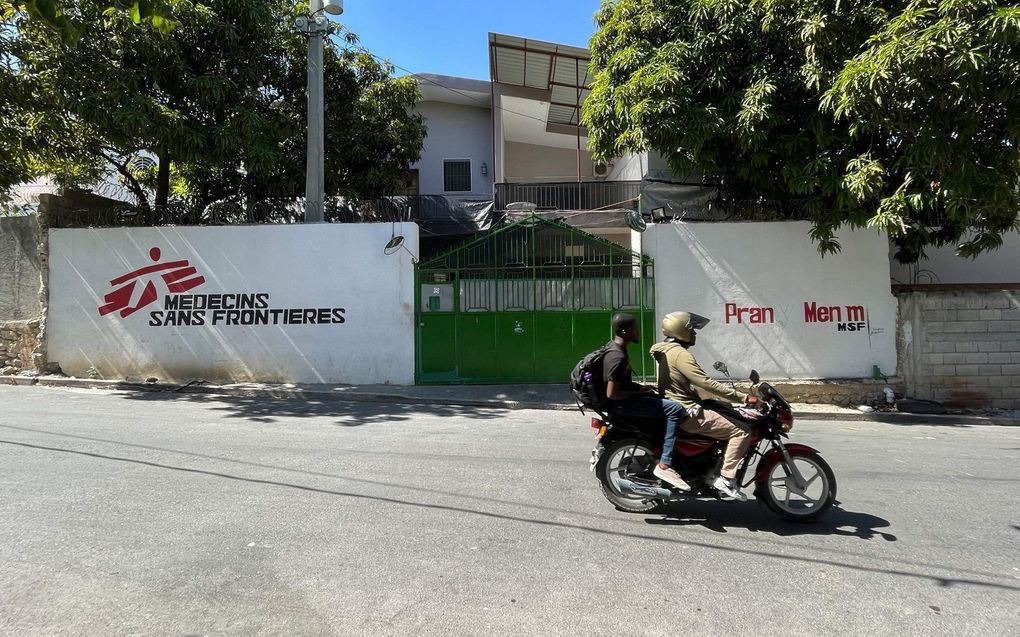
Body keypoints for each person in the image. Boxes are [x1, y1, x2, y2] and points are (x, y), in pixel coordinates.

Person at [650, 311, 759, 501]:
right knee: (742, 431)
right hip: (688, 411)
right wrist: (743, 398)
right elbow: (706, 383)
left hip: (677, 406)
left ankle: (710, 469)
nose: (695, 334)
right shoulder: (680, 354)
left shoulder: (663, 350)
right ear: (681, 330)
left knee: (727, 415)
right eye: (692, 329)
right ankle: (725, 478)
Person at [602, 313, 691, 492]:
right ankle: (665, 464)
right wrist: (637, 392)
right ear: (625, 331)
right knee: (674, 408)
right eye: (634, 329)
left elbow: (622, 383)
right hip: (623, 405)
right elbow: (612, 393)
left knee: (664, 400)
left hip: (626, 401)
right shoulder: (617, 356)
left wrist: (642, 388)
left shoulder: (617, 349)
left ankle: (666, 449)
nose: (637, 332)